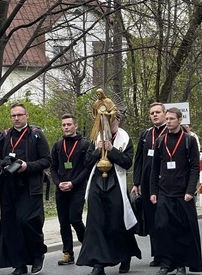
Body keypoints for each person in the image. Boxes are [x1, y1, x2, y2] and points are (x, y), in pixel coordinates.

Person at [77, 111, 141, 275]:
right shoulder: (95, 138)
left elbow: (127, 163)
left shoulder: (125, 139)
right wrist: (97, 151)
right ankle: (98, 263)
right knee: (95, 224)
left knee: (116, 223)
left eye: (110, 121)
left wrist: (112, 151)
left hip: (116, 184)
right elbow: (87, 163)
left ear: (117, 121)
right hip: (97, 184)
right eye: (103, 121)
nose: (106, 124)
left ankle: (125, 255)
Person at [0, 103, 51, 275]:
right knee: (12, 226)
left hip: (30, 187)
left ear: (27, 116)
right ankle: (20, 264)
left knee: (28, 222)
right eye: (13, 116)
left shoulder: (36, 134)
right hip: (9, 188)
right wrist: (4, 164)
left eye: (19, 115)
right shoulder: (4, 136)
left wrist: (27, 166)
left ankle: (38, 254)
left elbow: (47, 160)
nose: (16, 118)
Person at [150, 107, 202, 275]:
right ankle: (166, 263)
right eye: (167, 118)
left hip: (182, 192)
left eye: (172, 118)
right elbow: (154, 168)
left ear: (180, 120)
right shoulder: (160, 141)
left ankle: (181, 264)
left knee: (181, 228)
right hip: (164, 191)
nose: (169, 121)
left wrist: (190, 189)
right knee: (163, 227)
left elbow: (195, 167)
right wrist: (153, 191)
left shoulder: (189, 140)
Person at [50, 114, 90, 265]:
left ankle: (88, 245)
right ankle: (68, 253)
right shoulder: (58, 145)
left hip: (77, 188)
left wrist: (73, 183)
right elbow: (53, 167)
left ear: (75, 126)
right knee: (63, 222)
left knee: (75, 219)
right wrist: (57, 182)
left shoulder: (85, 145)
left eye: (68, 124)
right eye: (63, 125)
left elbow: (87, 168)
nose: (66, 127)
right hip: (61, 189)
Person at [132, 102, 167, 267]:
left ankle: (168, 252)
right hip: (147, 183)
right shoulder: (146, 134)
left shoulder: (171, 133)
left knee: (165, 218)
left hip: (165, 182)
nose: (155, 115)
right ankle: (157, 254)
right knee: (152, 218)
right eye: (152, 112)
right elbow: (138, 159)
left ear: (164, 114)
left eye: (158, 112)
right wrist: (136, 182)